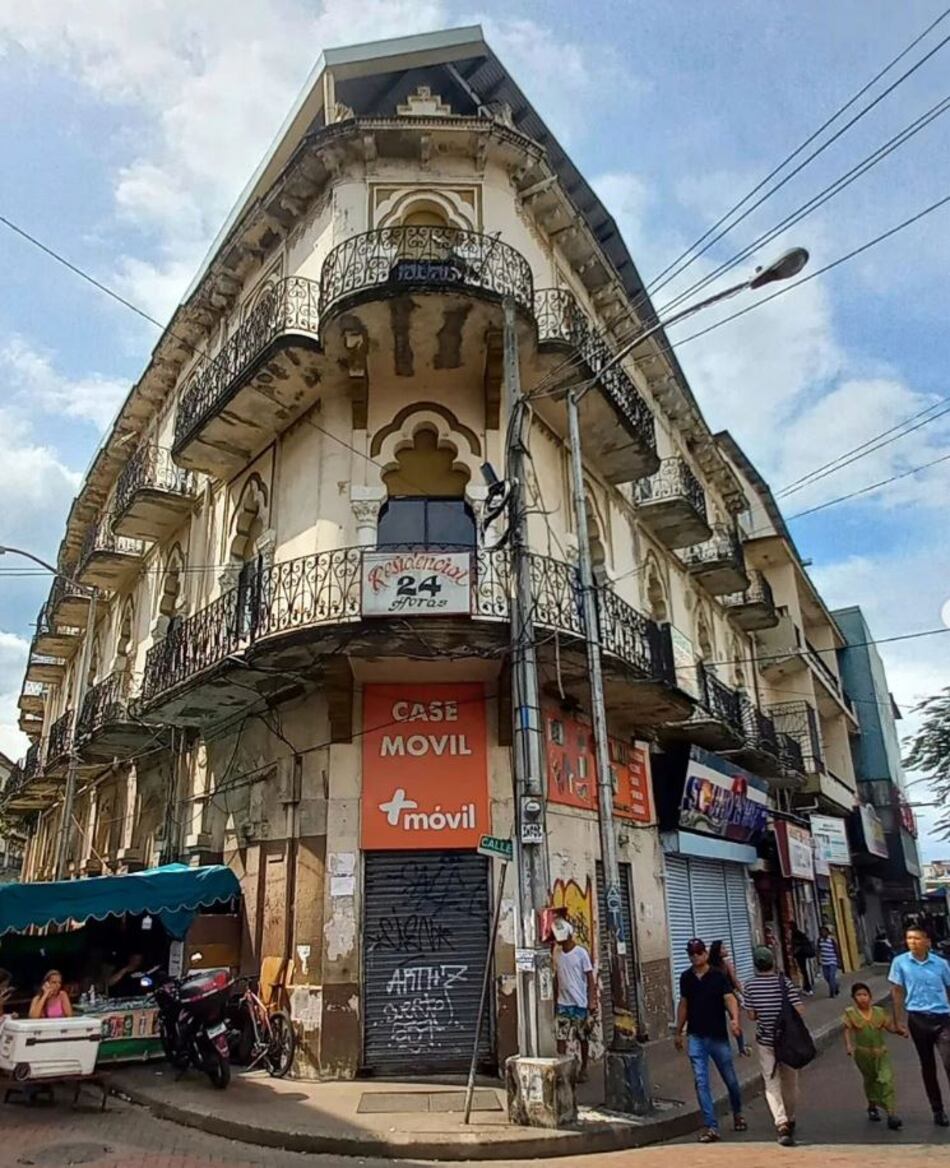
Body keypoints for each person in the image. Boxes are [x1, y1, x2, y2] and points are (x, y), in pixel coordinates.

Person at [675, 938, 747, 1142]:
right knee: (701, 1081)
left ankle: (738, 1112)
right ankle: (711, 1126)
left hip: (718, 1036)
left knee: (730, 1079)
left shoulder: (717, 975)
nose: (695, 956)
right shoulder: (686, 978)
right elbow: (684, 1004)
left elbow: (729, 998)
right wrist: (678, 1031)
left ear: (705, 954)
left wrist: (734, 1020)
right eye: (691, 953)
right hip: (696, 1036)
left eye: (698, 952)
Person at [889, 924, 950, 1127]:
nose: (912, 942)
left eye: (916, 938)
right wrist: (897, 1021)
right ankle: (938, 1110)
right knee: (928, 1065)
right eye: (909, 939)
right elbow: (897, 991)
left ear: (927, 942)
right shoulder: (900, 963)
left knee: (949, 1062)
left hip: (942, 1018)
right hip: (917, 1019)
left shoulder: (940, 964)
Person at [743, 945, 803, 1146]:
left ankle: (781, 1121)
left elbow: (751, 1015)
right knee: (790, 1081)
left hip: (766, 1041)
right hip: (788, 1041)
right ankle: (791, 1117)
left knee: (771, 1082)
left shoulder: (750, 986)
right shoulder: (784, 983)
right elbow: (800, 1009)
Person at [843, 980, 904, 1130]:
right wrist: (849, 1046)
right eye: (858, 995)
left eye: (865, 994)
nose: (862, 997)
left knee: (886, 1080)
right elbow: (847, 1030)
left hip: (881, 1053)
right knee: (870, 1080)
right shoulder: (851, 1013)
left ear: (870, 996)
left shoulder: (879, 1012)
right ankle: (872, 1106)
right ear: (854, 998)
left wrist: (899, 1030)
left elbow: (888, 1026)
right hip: (863, 1054)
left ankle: (891, 1114)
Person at [551, 917, 597, 1083]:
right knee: (561, 1038)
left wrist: (592, 1000)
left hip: (580, 1003)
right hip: (564, 1004)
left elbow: (590, 978)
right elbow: (556, 977)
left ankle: (584, 1067)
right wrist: (555, 999)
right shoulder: (557, 953)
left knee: (582, 1036)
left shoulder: (581, 953)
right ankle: (564, 1069)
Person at [709, 939, 750, 1056]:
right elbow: (735, 980)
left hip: (720, 997)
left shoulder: (714, 965)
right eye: (723, 948)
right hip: (728, 996)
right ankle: (741, 1048)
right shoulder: (725, 964)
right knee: (735, 1021)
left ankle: (736, 1047)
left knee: (728, 1022)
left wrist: (743, 994)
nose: (726, 950)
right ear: (717, 952)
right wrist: (744, 994)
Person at [791, 925, 815, 995]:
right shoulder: (799, 934)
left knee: (803, 971)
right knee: (803, 971)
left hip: (800, 956)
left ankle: (807, 987)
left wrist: (795, 952)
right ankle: (806, 987)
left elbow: (798, 945)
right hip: (802, 955)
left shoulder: (796, 934)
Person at [818, 926, 841, 998]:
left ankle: (832, 992)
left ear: (827, 932)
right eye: (822, 931)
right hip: (824, 962)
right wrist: (818, 959)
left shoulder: (831, 940)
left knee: (831, 976)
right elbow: (818, 950)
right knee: (826, 977)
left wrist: (838, 959)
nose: (823, 933)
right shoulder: (819, 940)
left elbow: (836, 950)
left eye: (824, 931)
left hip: (832, 961)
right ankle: (836, 985)